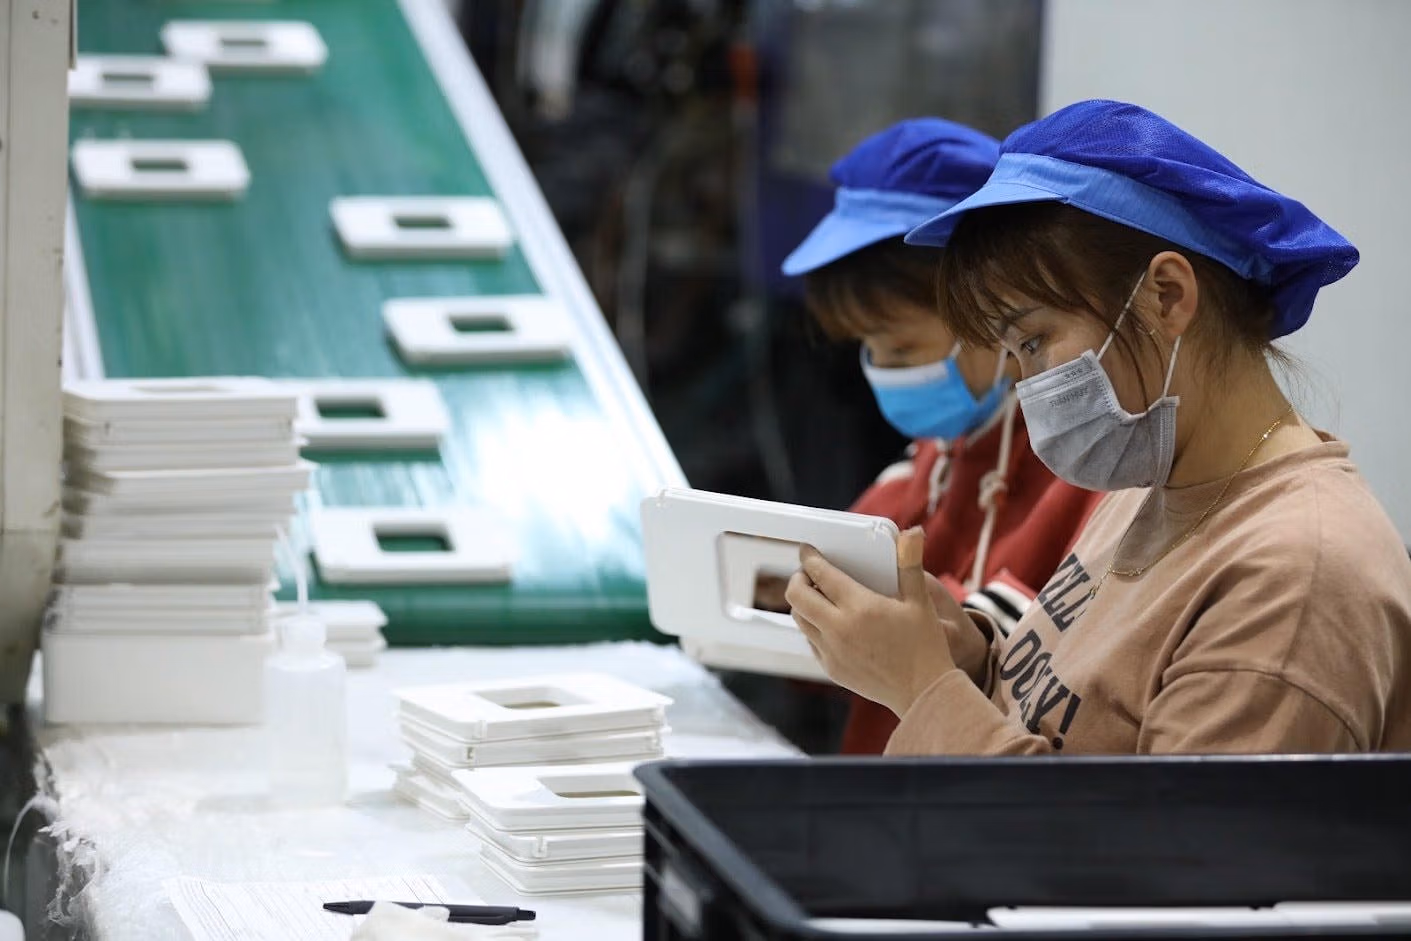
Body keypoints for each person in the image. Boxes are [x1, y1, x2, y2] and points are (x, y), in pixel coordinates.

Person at [786, 99, 1411, 754]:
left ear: (1166, 296)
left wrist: (921, 689)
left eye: (1033, 341)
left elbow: (1151, 824)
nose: (1023, 386)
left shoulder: (1295, 580)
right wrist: (969, 656)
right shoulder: (1153, 485)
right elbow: (1070, 719)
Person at [776, 117, 1103, 753]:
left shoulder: (1084, 467)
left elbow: (1063, 660)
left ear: (995, 315)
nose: (883, 370)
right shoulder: (933, 459)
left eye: (901, 348)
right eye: (868, 348)